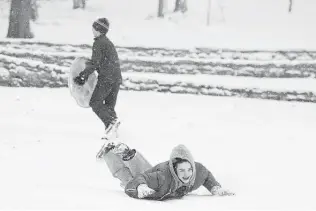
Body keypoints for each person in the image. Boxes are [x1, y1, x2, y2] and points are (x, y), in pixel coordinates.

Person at [99, 141, 235, 200]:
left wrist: (215, 188)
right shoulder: (162, 177)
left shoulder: (196, 173)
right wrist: (140, 186)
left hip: (156, 182)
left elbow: (206, 176)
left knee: (140, 174)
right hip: (153, 181)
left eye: (189, 169)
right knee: (133, 177)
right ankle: (114, 153)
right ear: (175, 169)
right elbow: (137, 182)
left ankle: (119, 154)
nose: (186, 174)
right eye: (182, 171)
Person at [74, 17, 122, 138]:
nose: (92, 29)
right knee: (109, 107)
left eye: (94, 27)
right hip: (116, 78)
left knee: (95, 102)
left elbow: (95, 63)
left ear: (98, 29)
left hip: (107, 78)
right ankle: (113, 134)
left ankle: (111, 124)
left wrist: (82, 76)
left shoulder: (99, 43)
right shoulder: (107, 42)